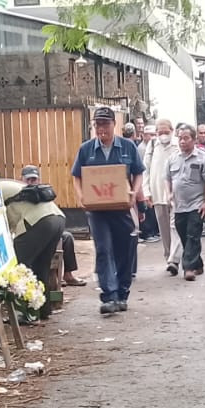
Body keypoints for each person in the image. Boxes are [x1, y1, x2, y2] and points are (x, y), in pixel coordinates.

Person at [72, 105, 145, 315]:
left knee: (125, 249)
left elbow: (138, 173)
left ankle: (122, 293)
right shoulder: (86, 149)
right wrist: (81, 196)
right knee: (103, 249)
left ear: (115, 125)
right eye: (98, 124)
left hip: (121, 208)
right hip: (97, 211)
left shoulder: (127, 147)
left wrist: (134, 193)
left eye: (105, 124)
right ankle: (109, 296)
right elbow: (77, 176)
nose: (101, 129)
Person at [1, 165, 67, 319]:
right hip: (58, 219)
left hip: (39, 221)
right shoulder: (8, 186)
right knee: (41, 265)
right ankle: (43, 310)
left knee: (19, 267)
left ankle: (24, 312)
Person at [167, 123, 205, 280]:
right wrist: (169, 193)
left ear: (194, 140)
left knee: (193, 235)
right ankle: (198, 264)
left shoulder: (203, 158)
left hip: (197, 204)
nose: (182, 141)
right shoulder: (173, 158)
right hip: (179, 206)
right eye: (180, 138)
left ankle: (188, 268)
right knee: (184, 236)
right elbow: (167, 178)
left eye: (186, 138)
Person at [142, 119, 178, 263]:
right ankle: (168, 255)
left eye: (166, 132)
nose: (163, 135)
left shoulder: (178, 145)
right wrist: (146, 192)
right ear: (156, 132)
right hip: (157, 192)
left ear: (172, 131)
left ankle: (175, 258)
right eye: (160, 132)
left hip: (175, 193)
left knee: (175, 226)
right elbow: (146, 170)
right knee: (164, 228)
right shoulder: (152, 146)